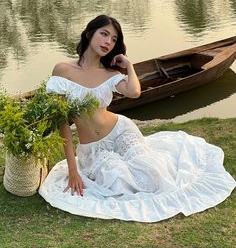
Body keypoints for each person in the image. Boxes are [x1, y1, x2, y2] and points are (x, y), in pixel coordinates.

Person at [39, 15, 235, 222]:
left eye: (114, 39)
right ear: (89, 33)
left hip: (120, 131)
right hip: (93, 148)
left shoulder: (110, 73)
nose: (108, 42)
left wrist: (129, 65)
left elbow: (134, 92)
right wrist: (73, 169)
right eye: (104, 34)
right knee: (118, 182)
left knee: (154, 175)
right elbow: (62, 122)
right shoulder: (63, 70)